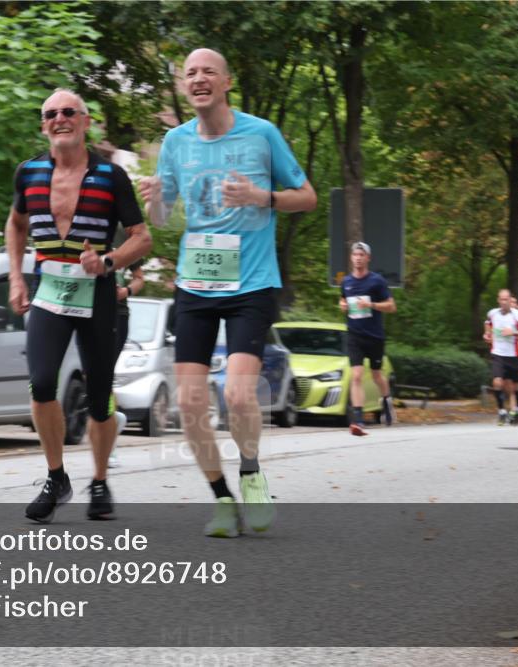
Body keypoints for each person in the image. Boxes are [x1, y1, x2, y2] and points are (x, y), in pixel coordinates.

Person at [138, 48, 317, 537]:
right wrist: (155, 203)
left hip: (252, 283)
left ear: (226, 82)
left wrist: (264, 198)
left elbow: (308, 196)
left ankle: (252, 473)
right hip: (196, 283)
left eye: (207, 72)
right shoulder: (175, 141)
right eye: (190, 73)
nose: (198, 79)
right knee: (192, 404)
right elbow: (162, 218)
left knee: (239, 397)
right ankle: (221, 499)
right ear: (183, 86)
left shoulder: (261, 134)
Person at [6, 88, 152, 523]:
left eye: (69, 112)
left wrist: (106, 261)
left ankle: (101, 480)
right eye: (51, 113)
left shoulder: (110, 176)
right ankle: (56, 477)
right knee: (42, 381)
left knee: (99, 395)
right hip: (49, 291)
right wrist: (16, 276)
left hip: (98, 295)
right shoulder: (28, 173)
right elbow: (15, 223)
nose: (60, 118)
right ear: (43, 124)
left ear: (85, 121)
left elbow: (142, 238)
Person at [338, 241, 397, 436]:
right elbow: (342, 300)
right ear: (351, 257)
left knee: (376, 375)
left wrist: (370, 305)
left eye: (362, 255)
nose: (358, 258)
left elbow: (391, 306)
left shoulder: (377, 281)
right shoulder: (346, 282)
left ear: (368, 258)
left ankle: (387, 401)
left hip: (374, 335)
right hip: (354, 334)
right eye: (355, 255)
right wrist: (343, 306)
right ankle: (359, 420)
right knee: (355, 375)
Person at [108, 245, 145, 467]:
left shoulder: (127, 234)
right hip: (82, 309)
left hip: (116, 314)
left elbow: (139, 278)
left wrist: (126, 292)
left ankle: (109, 440)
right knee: (88, 373)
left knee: (103, 373)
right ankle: (112, 419)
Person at [483, 289, 518, 426]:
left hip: (514, 355)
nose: (504, 302)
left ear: (510, 300)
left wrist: (514, 332)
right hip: (498, 353)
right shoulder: (493, 313)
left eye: (507, 299)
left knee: (514, 387)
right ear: (498, 300)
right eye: (502, 299)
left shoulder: (517, 315)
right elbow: (487, 322)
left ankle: (516, 410)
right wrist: (487, 334)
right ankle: (501, 412)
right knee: (497, 383)